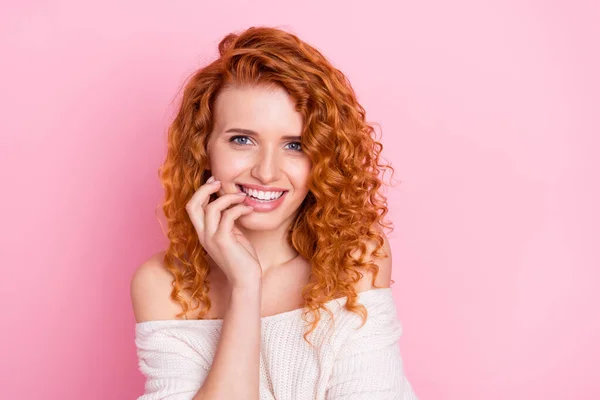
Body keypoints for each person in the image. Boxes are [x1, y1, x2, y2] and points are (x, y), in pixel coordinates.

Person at [130, 26, 418, 400]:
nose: (266, 171)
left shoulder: (354, 258)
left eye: (295, 145)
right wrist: (245, 287)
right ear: (204, 149)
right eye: (242, 140)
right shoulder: (163, 286)